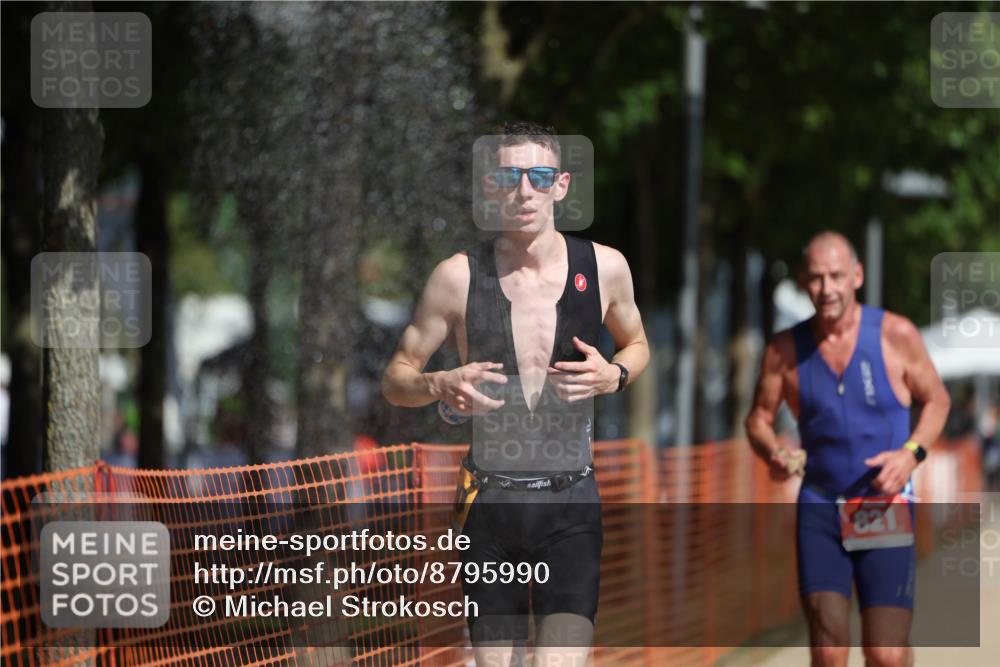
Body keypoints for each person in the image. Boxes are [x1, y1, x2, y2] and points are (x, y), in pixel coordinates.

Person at [382, 122, 649, 666]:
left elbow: (638, 344)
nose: (524, 190)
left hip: (570, 502)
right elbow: (396, 378)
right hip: (491, 507)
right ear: (490, 186)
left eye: (539, 175)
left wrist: (614, 375)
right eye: (509, 176)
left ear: (561, 184)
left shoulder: (604, 267)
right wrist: (438, 383)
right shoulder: (457, 277)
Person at [745, 231, 950, 667]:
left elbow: (938, 400)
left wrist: (911, 452)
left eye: (836, 276)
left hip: (882, 504)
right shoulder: (784, 351)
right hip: (820, 505)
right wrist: (773, 452)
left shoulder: (896, 334)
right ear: (803, 281)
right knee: (829, 650)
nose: (827, 288)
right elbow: (759, 419)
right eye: (816, 278)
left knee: (886, 653)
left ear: (856, 276)